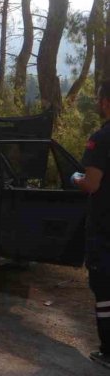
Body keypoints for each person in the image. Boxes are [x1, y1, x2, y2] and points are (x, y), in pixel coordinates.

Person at [75, 79, 110, 370]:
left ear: (106, 102)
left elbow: (92, 184)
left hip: (105, 228)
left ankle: (108, 351)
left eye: (100, 99)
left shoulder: (101, 138)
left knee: (104, 289)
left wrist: (77, 179)